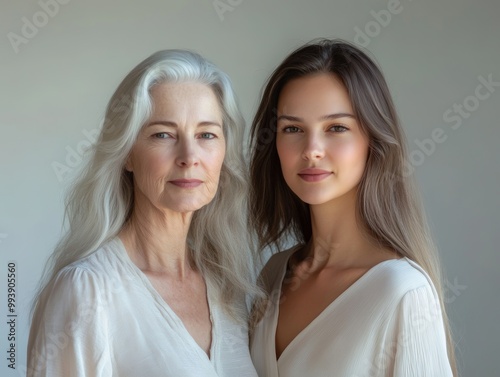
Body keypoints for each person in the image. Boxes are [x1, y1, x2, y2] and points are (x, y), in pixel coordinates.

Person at [27, 49, 259, 377]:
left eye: (206, 134)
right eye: (163, 134)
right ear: (127, 155)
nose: (189, 156)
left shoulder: (227, 288)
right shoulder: (87, 291)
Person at [248, 39, 457, 376]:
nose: (312, 149)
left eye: (337, 128)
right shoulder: (274, 274)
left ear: (372, 141)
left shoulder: (402, 293)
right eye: (293, 129)